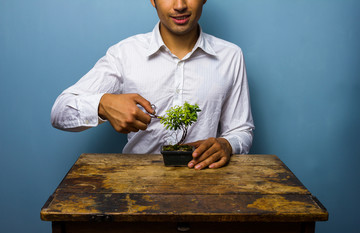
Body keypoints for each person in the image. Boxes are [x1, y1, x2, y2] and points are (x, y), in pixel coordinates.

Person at [51, 0, 255, 170]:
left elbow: (241, 130)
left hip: (205, 183)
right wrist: (102, 105)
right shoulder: (124, 54)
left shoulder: (230, 56)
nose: (180, 5)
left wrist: (228, 144)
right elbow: (60, 111)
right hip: (137, 185)